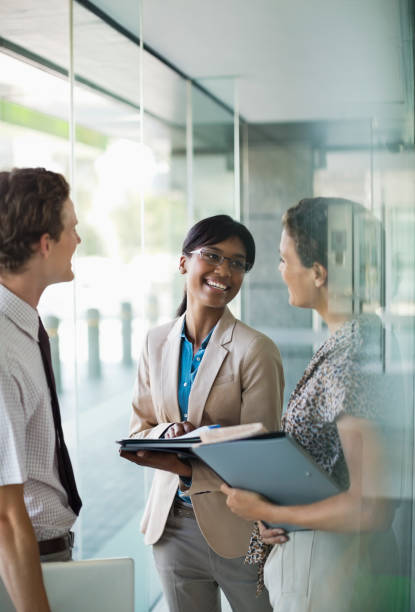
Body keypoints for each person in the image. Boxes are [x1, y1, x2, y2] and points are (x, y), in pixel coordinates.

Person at [221, 197, 397, 612]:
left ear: (319, 273)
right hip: (323, 557)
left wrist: (265, 509)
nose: (280, 271)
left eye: (285, 260)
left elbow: (371, 506)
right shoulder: (355, 341)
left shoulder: (352, 358)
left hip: (327, 566)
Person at [120, 214, 284, 612]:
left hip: (239, 528)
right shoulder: (155, 341)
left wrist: (190, 467)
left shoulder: (255, 349)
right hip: (171, 525)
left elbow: (262, 457)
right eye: (212, 255)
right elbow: (140, 427)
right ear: (183, 262)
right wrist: (170, 432)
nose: (224, 270)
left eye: (237, 262)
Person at [0, 167, 82, 612]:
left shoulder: (21, 326)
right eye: (72, 228)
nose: (79, 240)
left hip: (46, 556)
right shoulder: (2, 347)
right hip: (23, 567)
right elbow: (4, 517)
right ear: (45, 243)